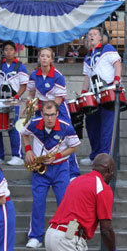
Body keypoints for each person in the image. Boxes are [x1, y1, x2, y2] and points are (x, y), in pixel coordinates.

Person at [45, 153, 121, 251]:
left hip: (53, 234)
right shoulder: (102, 188)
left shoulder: (77, 180)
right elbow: (106, 229)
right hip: (68, 238)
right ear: (110, 170)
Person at [21, 101, 80, 249]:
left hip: (60, 168)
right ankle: (35, 236)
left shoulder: (66, 127)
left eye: (52, 115)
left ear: (57, 114)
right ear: (41, 114)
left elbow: (74, 146)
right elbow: (24, 134)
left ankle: (68, 236)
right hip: (40, 169)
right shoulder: (34, 123)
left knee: (65, 203)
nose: (49, 118)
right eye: (46, 115)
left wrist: (58, 155)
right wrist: (28, 150)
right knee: (38, 203)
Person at [27, 47, 80, 179]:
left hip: (58, 111)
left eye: (47, 56)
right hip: (41, 110)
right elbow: (31, 93)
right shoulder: (34, 75)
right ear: (39, 58)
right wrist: (30, 105)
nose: (44, 58)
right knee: (41, 139)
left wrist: (37, 107)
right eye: (42, 56)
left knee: (67, 140)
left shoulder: (58, 76)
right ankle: (40, 170)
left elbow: (56, 102)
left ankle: (73, 173)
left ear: (51, 59)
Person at [80, 27, 122, 165]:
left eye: (94, 34)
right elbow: (87, 77)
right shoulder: (88, 57)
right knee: (91, 125)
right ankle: (95, 155)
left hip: (107, 91)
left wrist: (116, 81)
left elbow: (117, 64)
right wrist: (83, 93)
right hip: (94, 94)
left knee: (106, 126)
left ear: (100, 38)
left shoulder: (107, 48)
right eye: (89, 34)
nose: (91, 36)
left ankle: (104, 158)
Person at [0, 41, 28, 166]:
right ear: (3, 51)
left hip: (13, 102)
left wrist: (16, 97)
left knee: (13, 129)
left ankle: (17, 156)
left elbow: (23, 85)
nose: (8, 52)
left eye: (11, 49)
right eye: (6, 49)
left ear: (15, 51)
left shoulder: (20, 66)